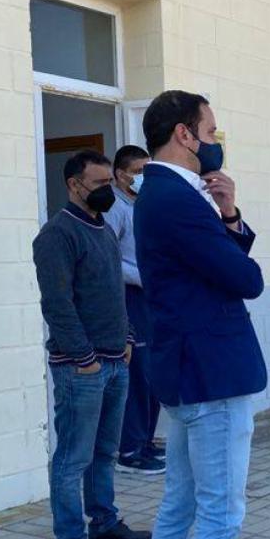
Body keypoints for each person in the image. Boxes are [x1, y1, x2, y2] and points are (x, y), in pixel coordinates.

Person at [135, 91, 266, 539]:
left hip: (188, 375)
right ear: (185, 135)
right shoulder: (176, 198)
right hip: (210, 379)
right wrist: (226, 220)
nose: (215, 142)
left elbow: (220, 264)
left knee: (179, 510)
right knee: (219, 516)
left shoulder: (163, 195)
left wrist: (230, 216)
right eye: (210, 132)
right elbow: (245, 279)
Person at [32, 149, 151, 539]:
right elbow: (58, 305)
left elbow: (113, 293)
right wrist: (83, 360)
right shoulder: (56, 235)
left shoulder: (103, 231)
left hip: (115, 359)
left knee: (104, 452)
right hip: (81, 368)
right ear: (74, 185)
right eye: (100, 184)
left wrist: (128, 339)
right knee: (72, 458)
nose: (108, 191)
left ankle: (103, 523)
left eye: (109, 183)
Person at [103, 144, 165, 476]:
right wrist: (143, 277)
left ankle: (145, 441)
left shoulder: (141, 204)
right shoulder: (114, 206)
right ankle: (129, 449)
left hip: (150, 297)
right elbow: (107, 257)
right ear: (120, 174)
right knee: (137, 374)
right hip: (129, 296)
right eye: (139, 172)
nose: (143, 177)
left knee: (153, 372)